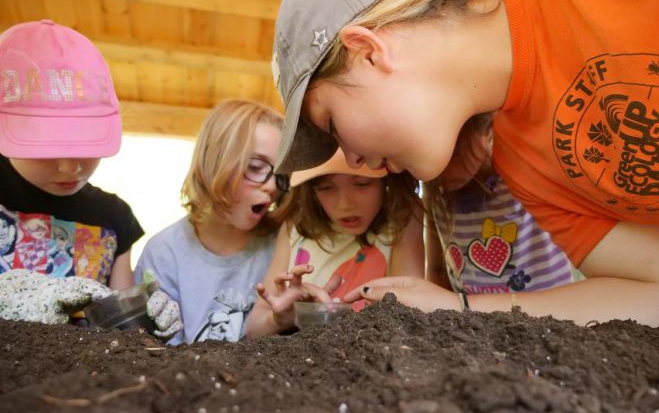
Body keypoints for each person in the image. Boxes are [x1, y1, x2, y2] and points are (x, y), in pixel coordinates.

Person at [269, 0, 659, 331]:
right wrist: (459, 308)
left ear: (368, 51)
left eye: (332, 125)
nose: (356, 160)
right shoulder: (528, 168)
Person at [0, 19, 181, 337]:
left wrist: (143, 320)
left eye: (85, 143)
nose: (71, 168)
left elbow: (120, 327)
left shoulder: (115, 218)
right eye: (47, 146)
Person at [134, 99, 288, 345]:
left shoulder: (283, 244)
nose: (271, 186)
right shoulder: (163, 253)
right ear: (215, 160)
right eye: (256, 167)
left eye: (281, 175)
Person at [245, 148, 423, 337]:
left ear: (386, 181)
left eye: (362, 184)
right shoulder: (294, 228)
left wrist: (336, 317)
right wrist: (282, 318)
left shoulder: (402, 223)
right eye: (326, 188)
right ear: (311, 190)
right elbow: (253, 329)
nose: (344, 204)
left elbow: (407, 317)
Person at [425, 119, 577, 296]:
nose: (443, 168)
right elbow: (436, 269)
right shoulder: (434, 192)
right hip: (473, 320)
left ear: (488, 130)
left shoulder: (523, 171)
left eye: (456, 152)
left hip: (549, 313)